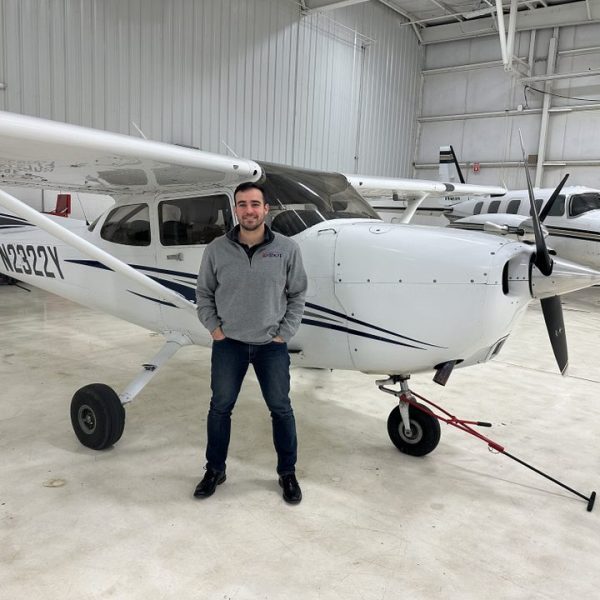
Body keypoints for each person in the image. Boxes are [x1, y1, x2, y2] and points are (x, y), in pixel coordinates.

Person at [195, 182, 308, 504]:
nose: (249, 210)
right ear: (235, 210)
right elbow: (203, 293)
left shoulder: (287, 249)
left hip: (271, 346)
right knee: (220, 408)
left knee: (281, 409)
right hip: (228, 344)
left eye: (255, 204)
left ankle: (287, 473)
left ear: (266, 209)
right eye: (242, 204)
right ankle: (215, 470)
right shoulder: (216, 249)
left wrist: (284, 333)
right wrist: (215, 329)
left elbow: (298, 293)